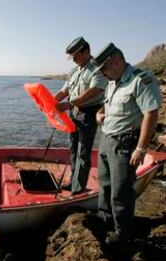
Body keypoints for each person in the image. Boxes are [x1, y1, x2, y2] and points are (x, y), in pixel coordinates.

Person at [92, 42, 162, 245]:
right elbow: (108, 106)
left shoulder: (140, 80)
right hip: (106, 139)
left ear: (116, 62)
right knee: (104, 184)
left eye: (104, 69)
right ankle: (105, 220)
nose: (103, 75)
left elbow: (151, 113)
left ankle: (122, 234)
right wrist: (100, 114)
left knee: (120, 191)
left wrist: (141, 148)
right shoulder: (113, 82)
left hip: (125, 142)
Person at [54, 37, 108, 194]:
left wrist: (69, 104)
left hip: (88, 114)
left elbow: (93, 91)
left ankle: (78, 188)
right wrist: (49, 102)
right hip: (74, 114)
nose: (74, 60)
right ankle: (73, 181)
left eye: (76, 56)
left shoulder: (97, 69)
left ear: (87, 52)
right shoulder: (74, 71)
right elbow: (64, 91)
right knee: (73, 149)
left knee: (83, 152)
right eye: (72, 57)